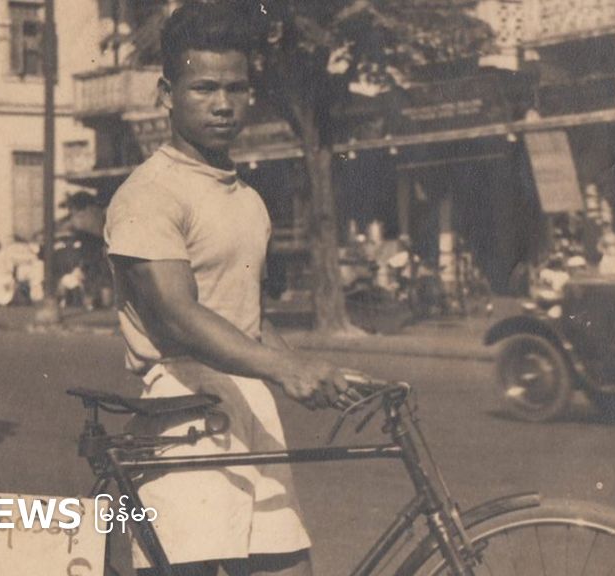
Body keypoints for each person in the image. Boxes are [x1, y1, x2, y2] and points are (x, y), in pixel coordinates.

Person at [103, 4, 358, 574]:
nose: (223, 104)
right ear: (167, 94)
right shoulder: (149, 194)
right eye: (205, 88)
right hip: (183, 414)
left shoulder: (247, 198)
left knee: (289, 565)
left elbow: (249, 317)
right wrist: (283, 369)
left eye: (236, 88)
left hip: (250, 404)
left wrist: (318, 372)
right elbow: (177, 316)